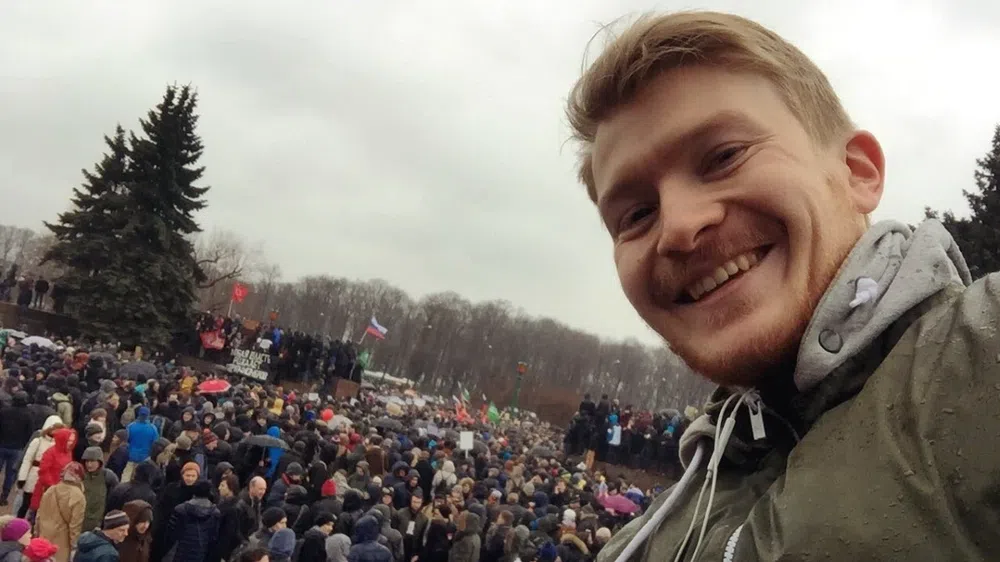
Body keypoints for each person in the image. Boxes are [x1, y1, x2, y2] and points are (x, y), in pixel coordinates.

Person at [567, 10, 1000, 562]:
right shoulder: (640, 546)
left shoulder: (983, 356)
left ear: (858, 171)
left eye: (724, 156)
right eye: (636, 215)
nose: (677, 227)